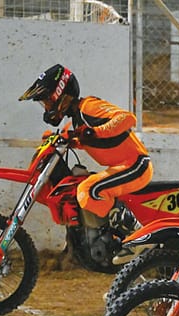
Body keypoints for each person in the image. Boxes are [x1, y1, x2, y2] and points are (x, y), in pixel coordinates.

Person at [19, 64, 152, 264]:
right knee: (80, 186)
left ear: (62, 95)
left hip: (136, 165)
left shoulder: (89, 107)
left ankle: (140, 238)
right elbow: (80, 136)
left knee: (89, 189)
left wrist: (96, 132)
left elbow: (127, 118)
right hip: (121, 167)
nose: (46, 107)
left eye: (47, 100)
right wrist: (61, 139)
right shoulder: (74, 120)